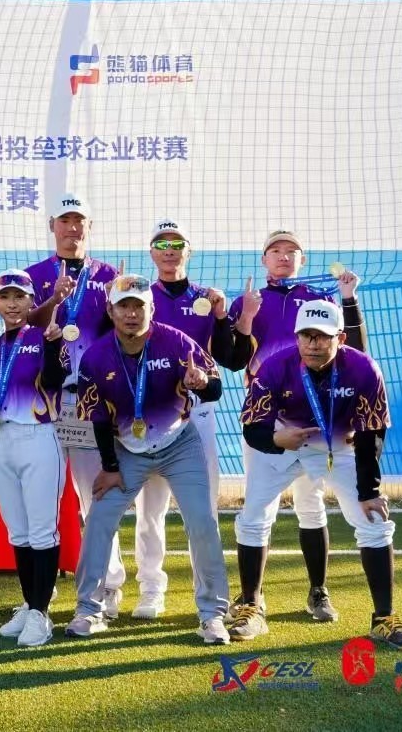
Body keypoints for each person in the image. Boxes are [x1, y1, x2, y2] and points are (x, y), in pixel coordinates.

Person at [230, 300, 402, 649]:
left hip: (337, 448)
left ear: (341, 338)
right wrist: (277, 439)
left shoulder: (363, 369)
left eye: (323, 337)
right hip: (282, 442)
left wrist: (369, 490)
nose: (314, 344)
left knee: (374, 519)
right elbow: (252, 428)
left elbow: (371, 433)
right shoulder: (274, 367)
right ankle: (251, 608)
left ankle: (384, 619)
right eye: (307, 336)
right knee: (253, 518)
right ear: (297, 337)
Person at [64, 275, 231, 645]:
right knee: (99, 518)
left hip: (180, 443)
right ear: (110, 311)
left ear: (151, 309)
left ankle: (213, 614)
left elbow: (216, 389)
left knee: (203, 521)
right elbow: (99, 420)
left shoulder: (177, 341)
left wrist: (202, 383)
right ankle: (88, 610)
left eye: (138, 306)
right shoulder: (95, 358)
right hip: (126, 450)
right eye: (123, 306)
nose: (131, 313)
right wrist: (110, 468)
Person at [221, 230, 367, 626]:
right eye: (275, 250)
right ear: (264, 259)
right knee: (259, 507)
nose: (283, 256)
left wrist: (349, 298)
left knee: (310, 503)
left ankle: (318, 591)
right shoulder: (248, 301)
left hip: (317, 417)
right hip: (268, 416)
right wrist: (246, 318)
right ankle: (252, 597)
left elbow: (354, 351)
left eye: (292, 251)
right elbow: (234, 360)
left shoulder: (320, 300)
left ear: (302, 259)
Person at [24, 192, 126, 619]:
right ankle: (38, 594)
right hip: (44, 401)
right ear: (53, 226)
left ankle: (109, 586)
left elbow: (125, 330)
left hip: (90, 402)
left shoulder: (111, 275)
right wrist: (53, 300)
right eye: (65, 221)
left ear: (89, 227)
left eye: (79, 220)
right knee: (41, 499)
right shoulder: (32, 276)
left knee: (97, 498)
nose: (72, 228)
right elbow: (22, 324)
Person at [133, 217, 240, 620]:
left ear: (188, 252)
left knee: (203, 512)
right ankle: (150, 590)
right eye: (161, 244)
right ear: (151, 253)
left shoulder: (207, 299)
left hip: (198, 411)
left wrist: (223, 316)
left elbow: (228, 358)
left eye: (177, 244)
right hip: (152, 414)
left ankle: (209, 597)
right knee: (149, 511)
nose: (169, 251)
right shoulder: (138, 297)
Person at [0, 270, 69, 646]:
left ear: (31, 301)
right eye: (5, 297)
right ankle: (31, 604)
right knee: (18, 531)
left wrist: (52, 347)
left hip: (37, 436)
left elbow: (55, 380)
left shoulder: (46, 337)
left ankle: (41, 615)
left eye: (19, 297)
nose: (12, 304)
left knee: (42, 530)